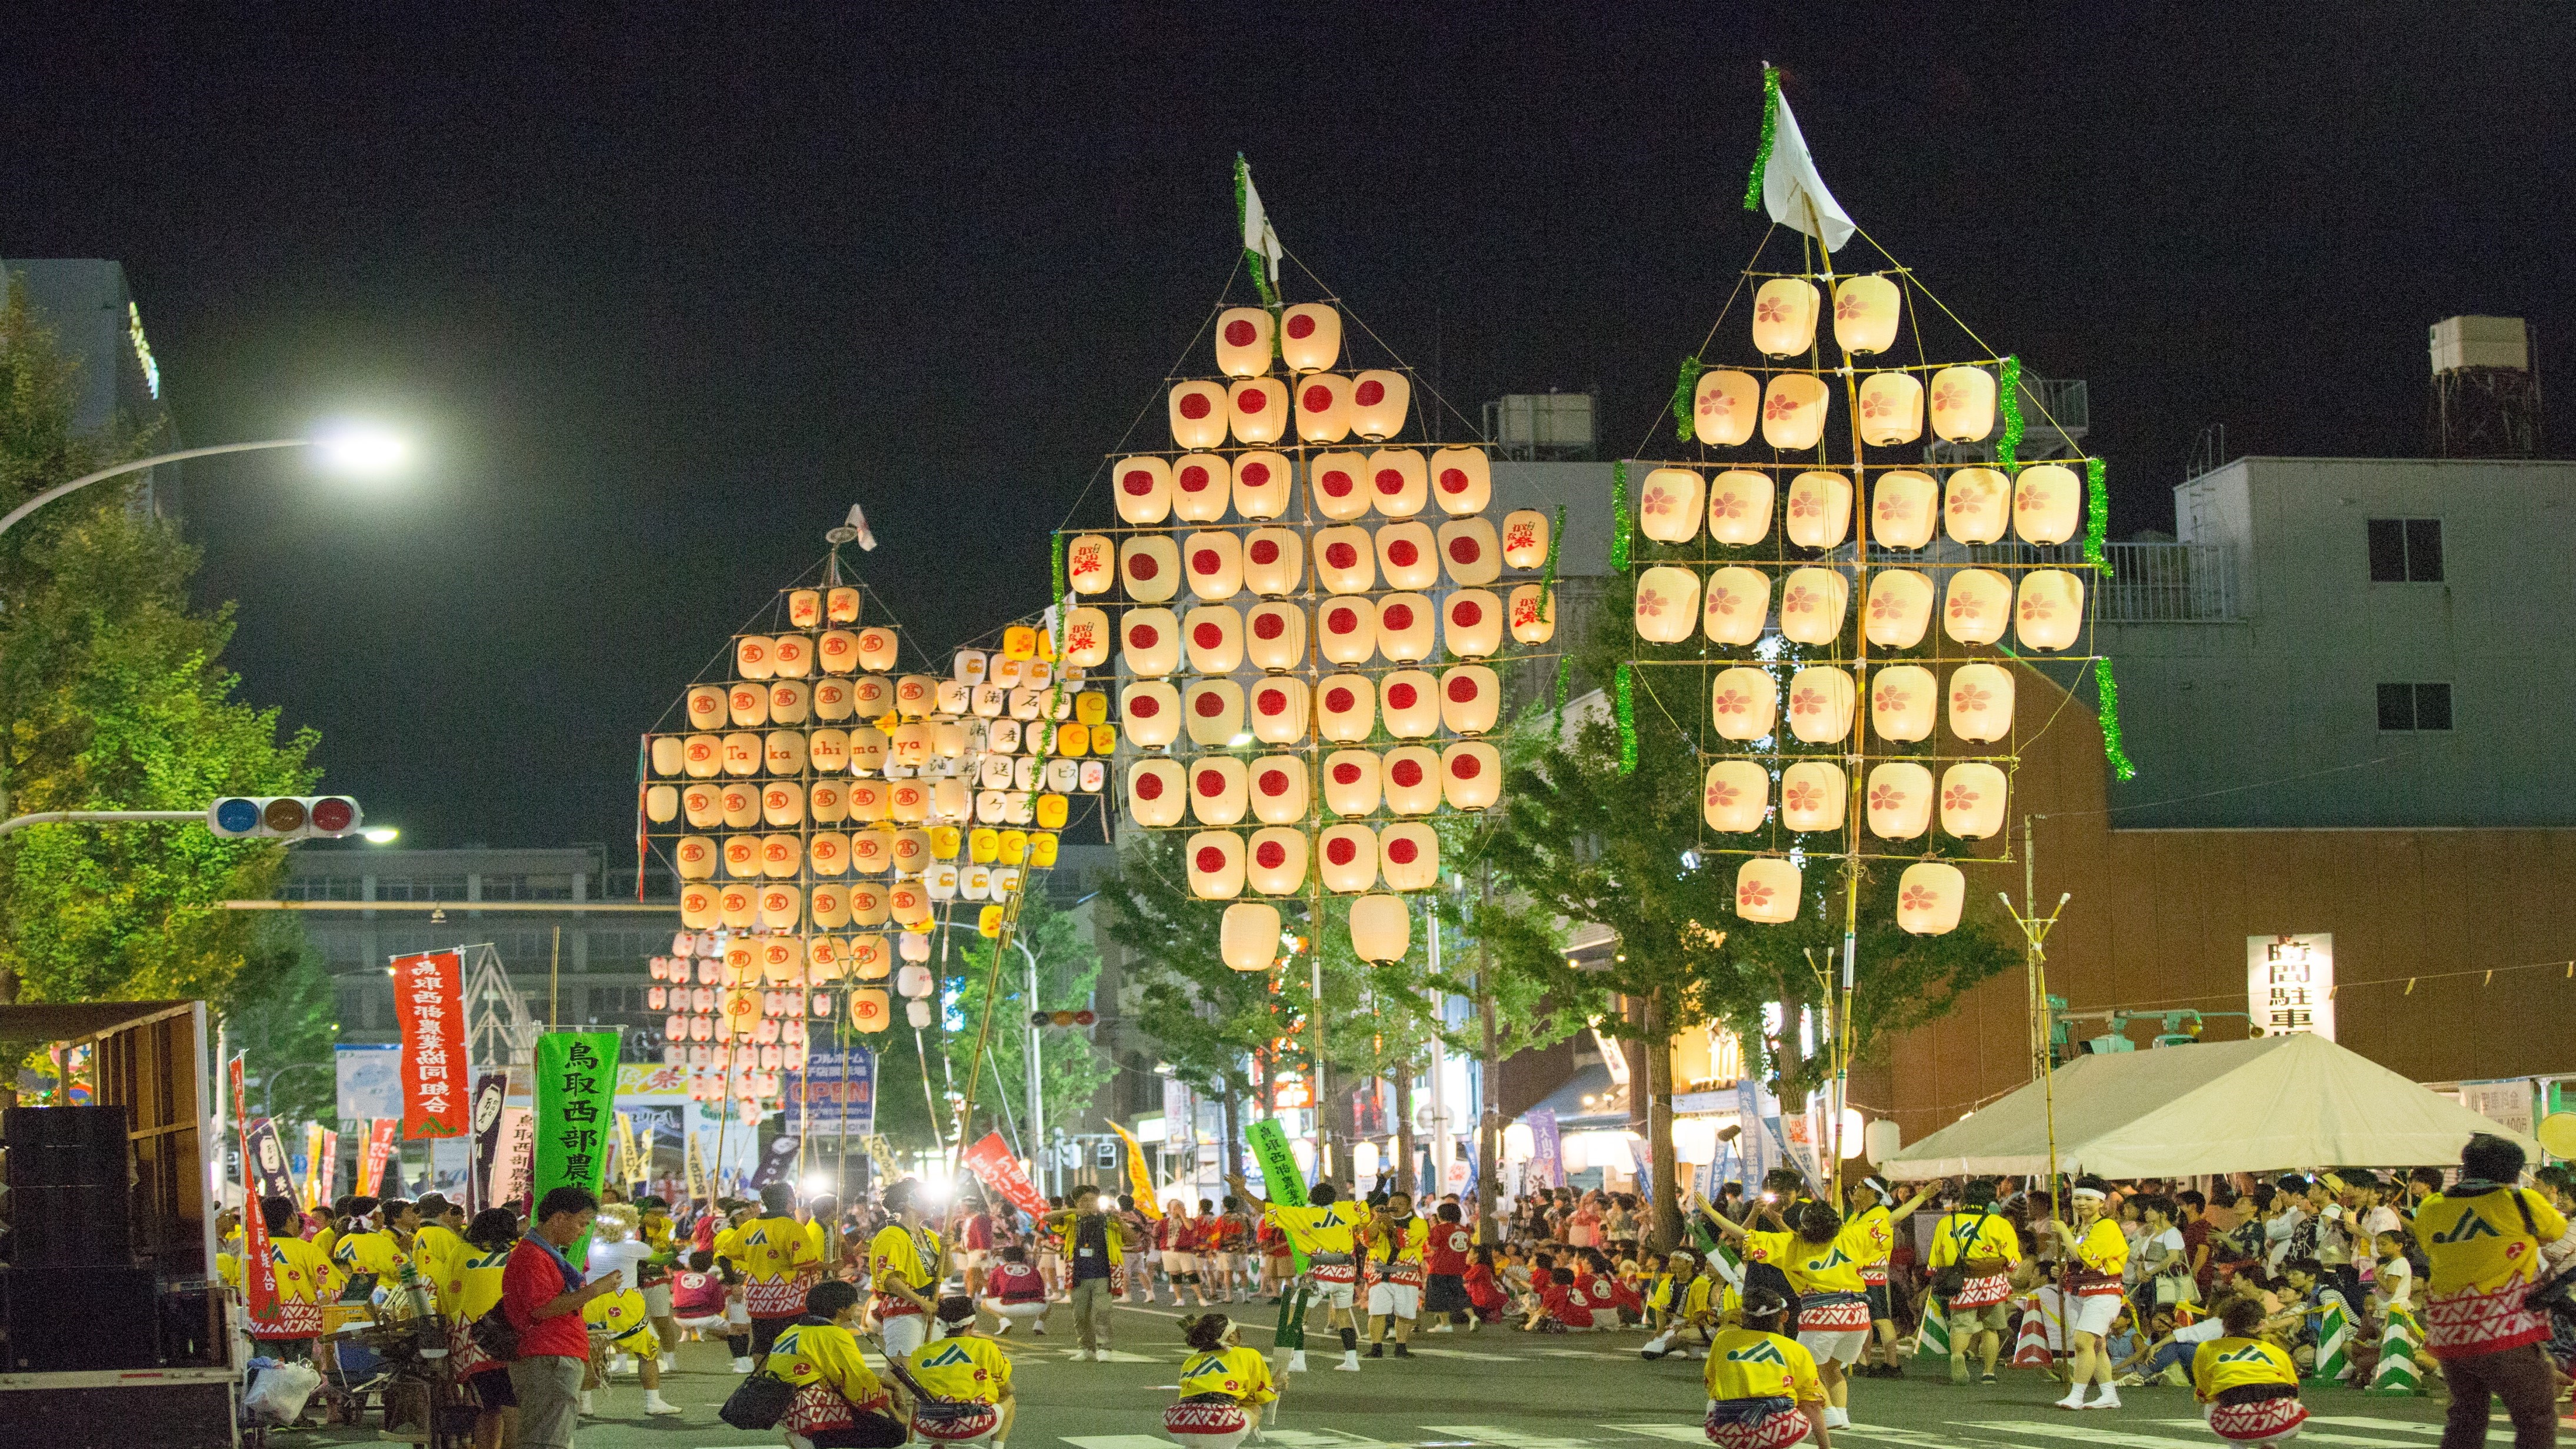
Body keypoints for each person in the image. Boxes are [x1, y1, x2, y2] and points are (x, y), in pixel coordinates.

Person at [2414, 1133, 2569, 1449]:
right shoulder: (2522, 1201)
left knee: (2466, 1416)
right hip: (2504, 1329)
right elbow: (2557, 1233)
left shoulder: (2431, 1207)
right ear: (2513, 1172)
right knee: (2535, 1416)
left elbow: (2429, 1244)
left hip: (2450, 1334)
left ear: (2465, 1168)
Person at [503, 1185, 623, 1449]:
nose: (583, 1232)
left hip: (552, 1354)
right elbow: (542, 1309)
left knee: (547, 1436)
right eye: (582, 1223)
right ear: (559, 1218)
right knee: (545, 1440)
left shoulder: (544, 1253)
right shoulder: (533, 1256)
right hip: (548, 1357)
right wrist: (595, 1289)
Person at [1228, 1171, 1368, 1371]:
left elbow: (1265, 1208)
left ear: (1310, 1197)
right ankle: (1352, 1361)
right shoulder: (1345, 1209)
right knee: (1344, 1316)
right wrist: (1383, 1180)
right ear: (1334, 1198)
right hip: (1346, 1272)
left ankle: (1299, 1361)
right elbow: (1370, 1203)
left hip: (1320, 1271)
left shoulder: (1302, 1214)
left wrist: (1244, 1191)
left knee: (1295, 1315)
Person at [767, 1278, 907, 1448]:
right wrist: (892, 1412)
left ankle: (813, 1437)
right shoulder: (833, 1334)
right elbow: (858, 1379)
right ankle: (813, 1440)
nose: (856, 1309)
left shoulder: (793, 1329)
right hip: (810, 1407)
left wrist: (891, 1386)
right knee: (895, 1432)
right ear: (842, 1310)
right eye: (854, 1305)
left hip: (784, 1405)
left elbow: (841, 1374)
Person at [1703, 1279, 1832, 1449]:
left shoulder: (1723, 1339)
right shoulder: (1795, 1350)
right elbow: (1810, 1405)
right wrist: (1825, 1447)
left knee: (1715, 1403)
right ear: (1784, 1316)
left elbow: (1710, 1382)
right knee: (1801, 1407)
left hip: (1724, 1429)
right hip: (1777, 1430)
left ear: (1743, 1316)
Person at [579, 1202, 682, 1416]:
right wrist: (673, 1249)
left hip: (592, 1300)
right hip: (626, 1302)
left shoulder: (587, 1245)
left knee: (591, 1353)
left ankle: (585, 1404)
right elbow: (663, 1259)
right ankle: (653, 1402)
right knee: (647, 1351)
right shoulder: (635, 1247)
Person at [1925, 1177, 2020, 1387]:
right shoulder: (1999, 1223)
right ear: (1991, 1199)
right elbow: (2012, 1258)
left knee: (1961, 1326)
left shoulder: (1947, 1222)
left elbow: (1937, 1257)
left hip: (1961, 1281)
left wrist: (1936, 1271)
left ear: (1966, 1197)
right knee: (1991, 1328)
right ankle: (1988, 1372)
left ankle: (1958, 1355)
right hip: (1992, 1281)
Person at [2047, 1177, 2130, 1411]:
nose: (2081, 1203)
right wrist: (2061, 1268)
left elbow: (2086, 1257)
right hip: (2078, 1291)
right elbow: (2074, 1258)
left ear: (2102, 1202)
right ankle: (2109, 1395)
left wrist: (2064, 1232)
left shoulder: (2107, 1226)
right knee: (2096, 1346)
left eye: (2088, 1199)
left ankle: (2077, 1395)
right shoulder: (2078, 1228)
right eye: (2077, 1198)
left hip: (2103, 1291)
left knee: (2083, 1341)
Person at [446, 1209, 525, 1449]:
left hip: (472, 1339)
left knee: (488, 1406)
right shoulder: (520, 1250)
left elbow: (446, 1292)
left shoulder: (460, 1252)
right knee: (514, 1403)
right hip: (512, 1335)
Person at [723, 1181, 826, 1363]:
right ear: (790, 1200)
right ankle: (788, 1381)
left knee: (762, 1343)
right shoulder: (792, 1227)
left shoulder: (749, 1227)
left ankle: (761, 1381)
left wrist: (757, 1255)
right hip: (788, 1295)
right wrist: (831, 1267)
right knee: (792, 1341)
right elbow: (804, 1263)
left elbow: (730, 1251)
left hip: (758, 1295)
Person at [2191, 1294, 2308, 1445]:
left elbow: (2204, 1392)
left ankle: (2238, 1445)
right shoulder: (2276, 1352)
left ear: (2224, 1324)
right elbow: (2293, 1390)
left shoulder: (2206, 1348)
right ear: (2261, 1324)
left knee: (2211, 1402)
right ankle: (2270, 1443)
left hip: (2234, 1424)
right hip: (2281, 1424)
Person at [903, 1295, 1015, 1448]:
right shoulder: (986, 1347)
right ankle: (997, 1447)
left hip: (927, 1427)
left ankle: (939, 1441)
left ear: (940, 1324)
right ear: (972, 1324)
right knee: (1010, 1400)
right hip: (972, 1428)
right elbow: (1007, 1389)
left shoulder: (919, 1353)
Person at [1039, 1185, 1134, 1360]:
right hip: (1078, 1274)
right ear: (1076, 1203)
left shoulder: (1109, 1219)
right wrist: (1076, 1211)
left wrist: (1119, 1221)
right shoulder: (1072, 1219)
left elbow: (1132, 1239)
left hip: (1105, 1273)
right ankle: (1086, 1348)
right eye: (1084, 1201)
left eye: (1092, 1200)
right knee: (1080, 1314)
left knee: (1103, 1311)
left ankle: (1105, 1348)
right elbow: (1047, 1218)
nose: (1089, 1204)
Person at [246, 1194, 343, 1361]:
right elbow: (337, 1288)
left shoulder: (250, 1252)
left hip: (261, 1324)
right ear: (292, 1218)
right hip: (300, 1325)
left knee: (268, 1375)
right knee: (299, 1378)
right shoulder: (307, 1250)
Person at [1165, 1311, 1278, 1449]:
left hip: (1178, 1421)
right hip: (1220, 1422)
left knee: (1201, 1435)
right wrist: (1276, 1386)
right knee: (1254, 1409)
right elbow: (1259, 1396)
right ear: (1231, 1335)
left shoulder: (1192, 1360)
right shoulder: (1248, 1354)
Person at [1361, 1190, 1429, 1357]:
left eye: (1400, 1204)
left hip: (1407, 1273)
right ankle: (1376, 1347)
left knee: (1405, 1314)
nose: (1395, 1206)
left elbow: (1405, 1241)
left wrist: (1391, 1224)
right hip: (1381, 1273)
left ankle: (1401, 1346)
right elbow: (1367, 1240)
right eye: (1392, 1204)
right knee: (1376, 1311)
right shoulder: (1382, 1220)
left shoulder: (1419, 1224)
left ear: (1409, 1207)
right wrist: (1377, 1220)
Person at [635, 1195, 681, 1370]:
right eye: (654, 1213)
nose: (659, 1218)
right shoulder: (633, 1227)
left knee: (661, 1320)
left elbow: (666, 1251)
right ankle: (623, 1361)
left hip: (656, 1277)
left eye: (662, 1214)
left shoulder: (666, 1226)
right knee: (628, 1322)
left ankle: (670, 1358)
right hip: (633, 1278)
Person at [1422, 1201, 1475, 1333]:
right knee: (1459, 1294)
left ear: (1441, 1216)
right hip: (1457, 1267)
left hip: (1439, 1267)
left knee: (1439, 1297)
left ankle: (1445, 1324)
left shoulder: (1438, 1229)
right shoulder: (1465, 1230)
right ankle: (1473, 1317)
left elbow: (1433, 1247)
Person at [981, 1244, 1050, 1335]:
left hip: (1008, 1308)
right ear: (1022, 1257)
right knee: (1047, 1302)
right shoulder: (1034, 1270)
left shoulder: (997, 1271)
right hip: (1034, 1307)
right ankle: (1039, 1325)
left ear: (1004, 1258)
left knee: (984, 1303)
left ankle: (1003, 1321)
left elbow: (991, 1294)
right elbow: (1042, 1292)